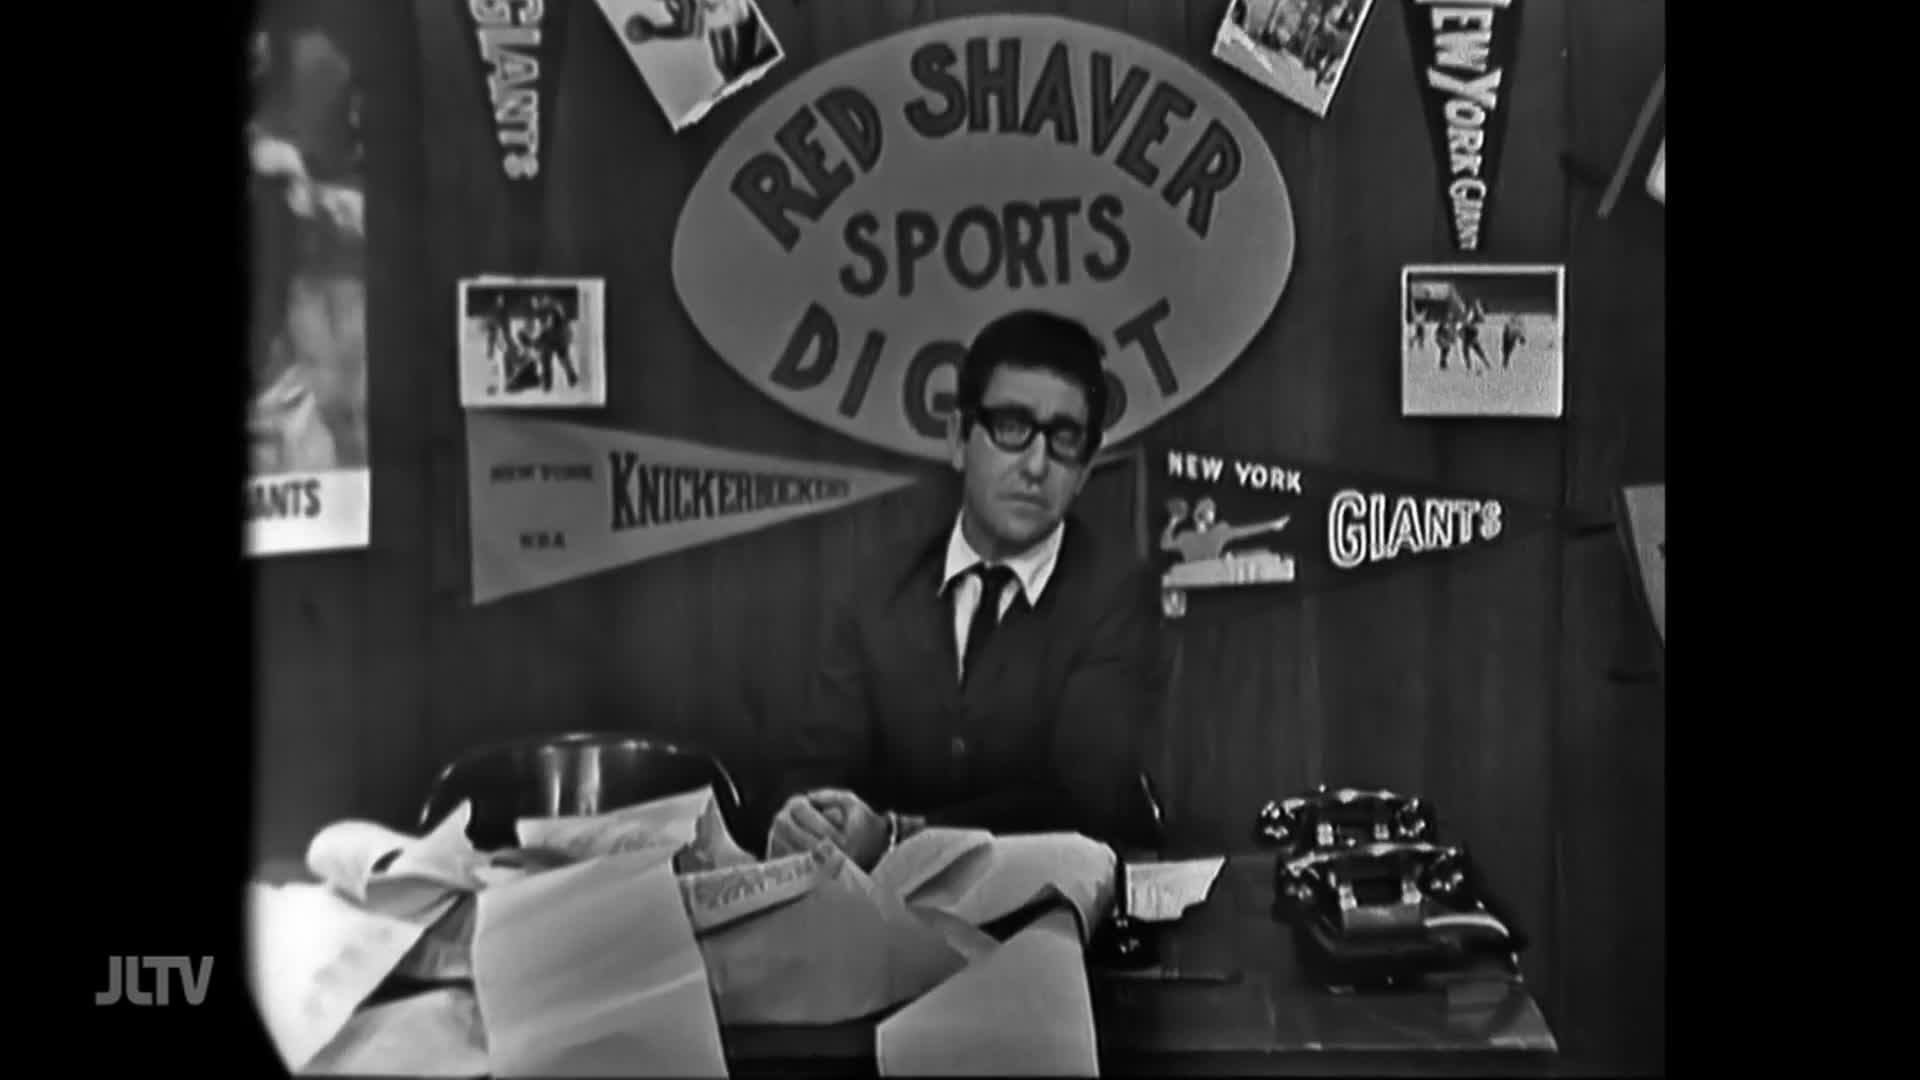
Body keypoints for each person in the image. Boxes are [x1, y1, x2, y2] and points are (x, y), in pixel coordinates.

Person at [765, 310, 1164, 870]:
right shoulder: (876, 589)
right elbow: (817, 772)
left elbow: (1084, 801)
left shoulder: (1117, 595)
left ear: (1087, 465)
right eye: (1011, 426)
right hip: (883, 926)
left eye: (1064, 439)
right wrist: (804, 821)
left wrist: (898, 837)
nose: (1035, 465)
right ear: (958, 438)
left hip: (1057, 925)